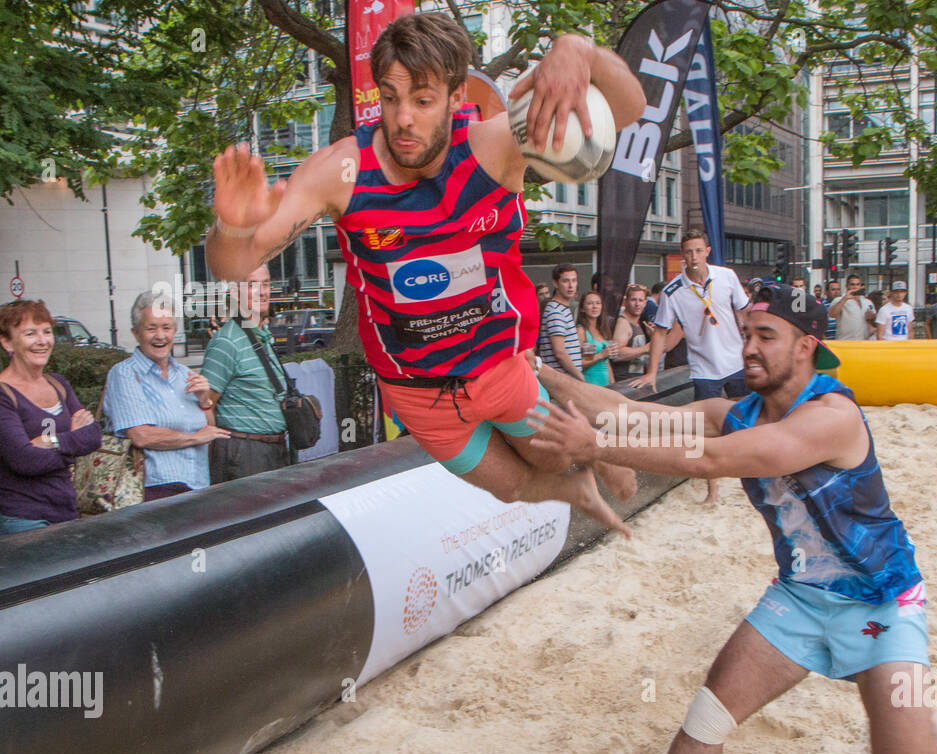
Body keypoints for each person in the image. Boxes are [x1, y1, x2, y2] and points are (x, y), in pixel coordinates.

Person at [527, 285, 937, 754]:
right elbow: (633, 416)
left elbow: (715, 460)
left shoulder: (833, 416)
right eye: (745, 334)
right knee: (705, 720)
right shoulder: (732, 413)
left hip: (881, 599)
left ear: (807, 346)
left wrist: (596, 446)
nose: (748, 348)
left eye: (766, 336)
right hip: (798, 596)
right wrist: (538, 371)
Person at [204, 11, 644, 533]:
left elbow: (628, 106)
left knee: (548, 454)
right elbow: (234, 265)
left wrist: (580, 49)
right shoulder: (341, 172)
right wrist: (231, 227)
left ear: (457, 95)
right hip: (415, 388)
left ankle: (584, 453)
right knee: (511, 487)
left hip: (496, 365)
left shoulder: (495, 146)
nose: (403, 119)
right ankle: (578, 487)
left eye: (422, 99)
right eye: (390, 97)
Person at [630, 229, 751, 504]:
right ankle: (713, 490)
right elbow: (660, 332)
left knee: (745, 420)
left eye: (698, 250)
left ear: (707, 251)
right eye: (688, 251)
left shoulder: (726, 276)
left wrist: (753, 343)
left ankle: (750, 477)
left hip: (735, 359)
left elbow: (744, 311)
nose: (693, 256)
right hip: (704, 367)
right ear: (682, 255)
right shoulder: (673, 290)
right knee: (704, 431)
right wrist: (651, 372)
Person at [103, 291, 230, 501]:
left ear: (175, 331)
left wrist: (204, 401)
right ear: (136, 333)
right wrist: (194, 438)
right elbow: (141, 436)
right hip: (152, 491)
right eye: (151, 328)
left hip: (197, 485)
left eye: (166, 328)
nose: (160, 336)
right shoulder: (125, 374)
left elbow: (208, 429)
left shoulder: (185, 374)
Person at [0, 300, 102, 533]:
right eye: (30, 333)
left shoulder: (59, 384)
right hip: (23, 518)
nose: (42, 341)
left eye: (47, 331)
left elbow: (94, 435)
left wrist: (53, 442)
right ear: (7, 341)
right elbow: (25, 460)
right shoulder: (3, 394)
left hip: (65, 509)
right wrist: (74, 447)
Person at [200, 265, 294, 483]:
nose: (262, 291)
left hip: (272, 451)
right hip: (244, 455)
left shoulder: (261, 336)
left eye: (266, 283)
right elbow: (205, 404)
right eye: (252, 285)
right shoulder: (227, 341)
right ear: (234, 293)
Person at [539, 263, 583, 380]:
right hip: (562, 381)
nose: (571, 286)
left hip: (565, 379)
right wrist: (580, 377)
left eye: (574, 281)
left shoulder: (561, 308)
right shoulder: (555, 311)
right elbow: (560, 353)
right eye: (565, 281)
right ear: (555, 283)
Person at [611, 284, 653, 380]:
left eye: (640, 300)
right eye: (633, 300)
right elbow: (616, 354)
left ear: (645, 303)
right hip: (624, 381)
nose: (637, 304)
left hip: (634, 380)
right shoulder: (623, 323)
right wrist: (645, 349)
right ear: (625, 302)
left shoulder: (637, 323)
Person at [575, 291, 618, 386]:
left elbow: (607, 364)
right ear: (582, 309)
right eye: (590, 303)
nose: (594, 306)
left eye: (598, 303)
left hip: (606, 384)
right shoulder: (581, 330)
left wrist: (613, 384)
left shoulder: (602, 330)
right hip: (590, 384)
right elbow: (578, 363)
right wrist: (601, 355)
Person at [829, 274, 874, 341]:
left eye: (857, 284)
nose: (855, 287)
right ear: (847, 286)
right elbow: (832, 314)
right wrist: (845, 299)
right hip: (845, 341)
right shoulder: (839, 300)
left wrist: (872, 318)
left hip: (864, 341)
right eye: (852, 284)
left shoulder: (867, 302)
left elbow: (875, 323)